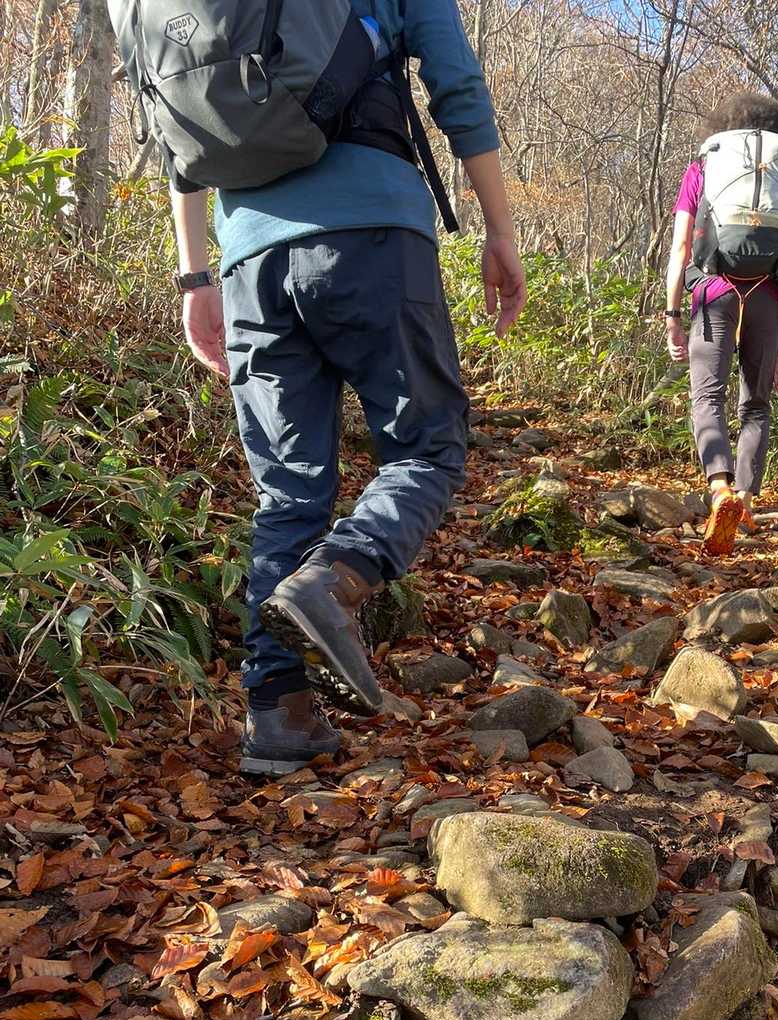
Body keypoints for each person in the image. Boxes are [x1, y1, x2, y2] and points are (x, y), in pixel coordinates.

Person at [166, 0, 526, 774]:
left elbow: (180, 120)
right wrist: (500, 230)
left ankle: (280, 716)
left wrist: (195, 276)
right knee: (428, 448)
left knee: (288, 494)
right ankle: (339, 577)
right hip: (373, 229)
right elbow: (457, 84)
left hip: (248, 257)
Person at [664, 91, 778, 556]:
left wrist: (673, 316)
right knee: (756, 405)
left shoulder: (703, 168)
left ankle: (719, 487)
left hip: (714, 291)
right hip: (766, 296)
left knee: (707, 396)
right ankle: (744, 499)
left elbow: (681, 248)